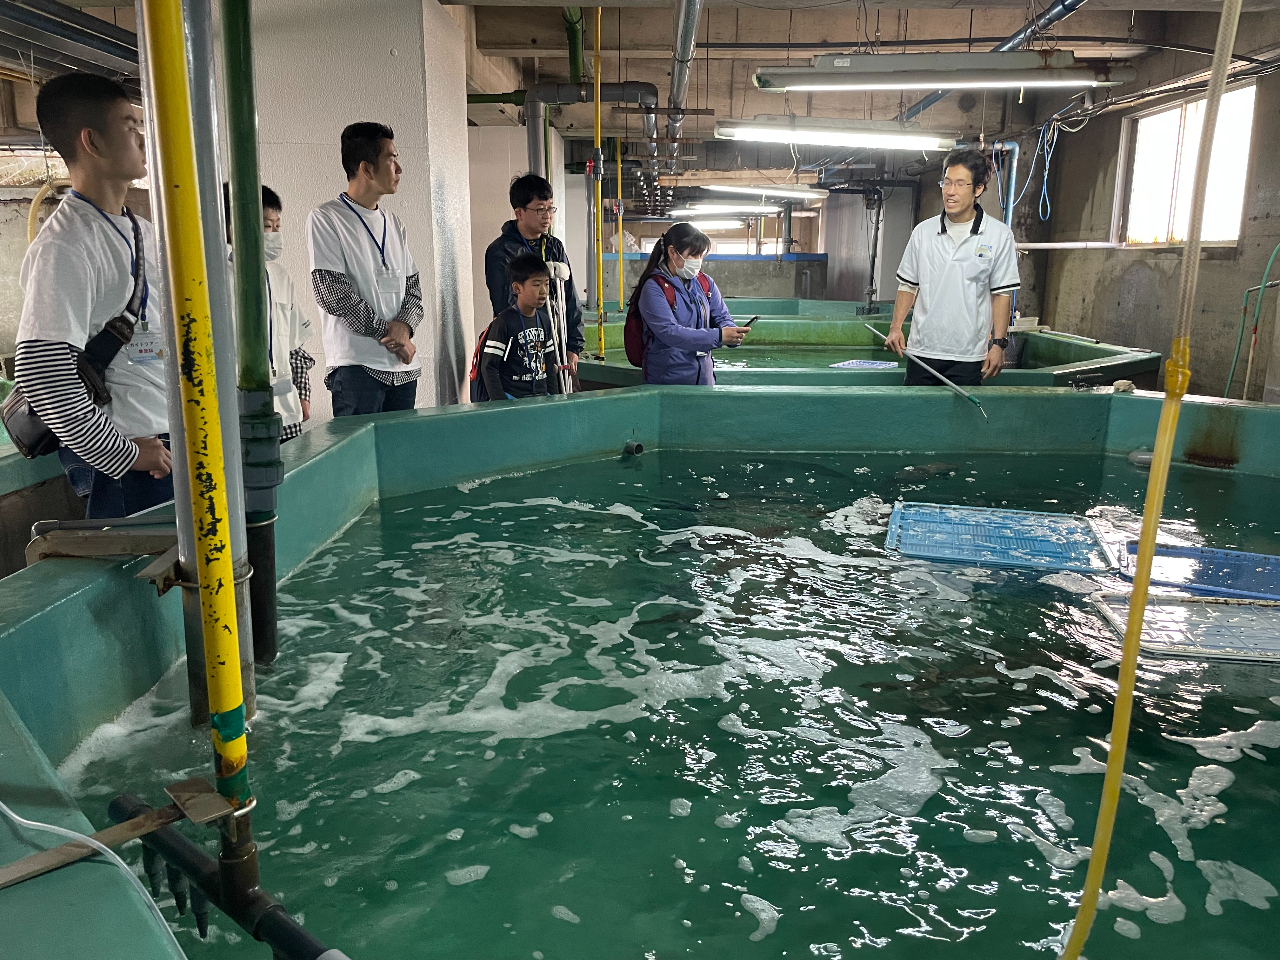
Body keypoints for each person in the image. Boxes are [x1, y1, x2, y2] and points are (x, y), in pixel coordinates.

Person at [13, 73, 172, 519]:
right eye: (129, 125)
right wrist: (123, 454)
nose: (142, 138)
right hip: (129, 463)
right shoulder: (65, 245)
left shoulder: (142, 230)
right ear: (92, 142)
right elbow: (42, 371)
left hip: (161, 445)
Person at [306, 121, 423, 418]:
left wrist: (405, 328)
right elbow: (332, 292)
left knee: (399, 459)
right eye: (391, 159)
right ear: (367, 169)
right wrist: (391, 335)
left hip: (402, 370)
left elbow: (413, 288)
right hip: (357, 369)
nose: (398, 169)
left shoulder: (394, 223)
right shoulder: (327, 218)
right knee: (360, 462)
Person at [886, 146, 1020, 385]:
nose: (950, 192)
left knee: (959, 423)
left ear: (978, 189)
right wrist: (895, 328)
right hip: (922, 351)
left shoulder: (999, 235)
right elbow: (908, 285)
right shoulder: (923, 232)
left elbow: (1001, 293)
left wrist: (999, 344)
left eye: (960, 184)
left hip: (968, 355)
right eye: (946, 183)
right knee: (919, 419)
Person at [225, 183, 315, 441]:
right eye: (267, 225)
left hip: (286, 413)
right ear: (234, 226)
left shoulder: (279, 276)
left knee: (290, 478)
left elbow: (294, 345)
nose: (275, 234)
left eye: (278, 226)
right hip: (235, 415)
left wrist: (303, 393)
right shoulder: (212, 279)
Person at [484, 174, 582, 376]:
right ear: (519, 213)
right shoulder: (501, 251)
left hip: (556, 344)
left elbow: (569, 296)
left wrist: (574, 345)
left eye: (550, 208)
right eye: (539, 209)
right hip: (521, 348)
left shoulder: (554, 246)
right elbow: (505, 305)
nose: (547, 215)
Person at [628, 222, 747, 385]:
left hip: (703, 379)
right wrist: (718, 336)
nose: (698, 262)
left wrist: (732, 334)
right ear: (672, 252)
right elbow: (670, 332)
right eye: (693, 255)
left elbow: (721, 315)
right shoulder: (654, 288)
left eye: (701, 256)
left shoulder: (705, 283)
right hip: (668, 381)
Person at [478, 253, 563, 401]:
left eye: (547, 284)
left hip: (541, 399)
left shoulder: (545, 320)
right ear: (517, 288)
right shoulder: (504, 322)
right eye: (536, 284)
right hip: (513, 399)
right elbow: (489, 367)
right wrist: (501, 404)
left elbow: (549, 363)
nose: (544, 291)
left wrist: (554, 399)